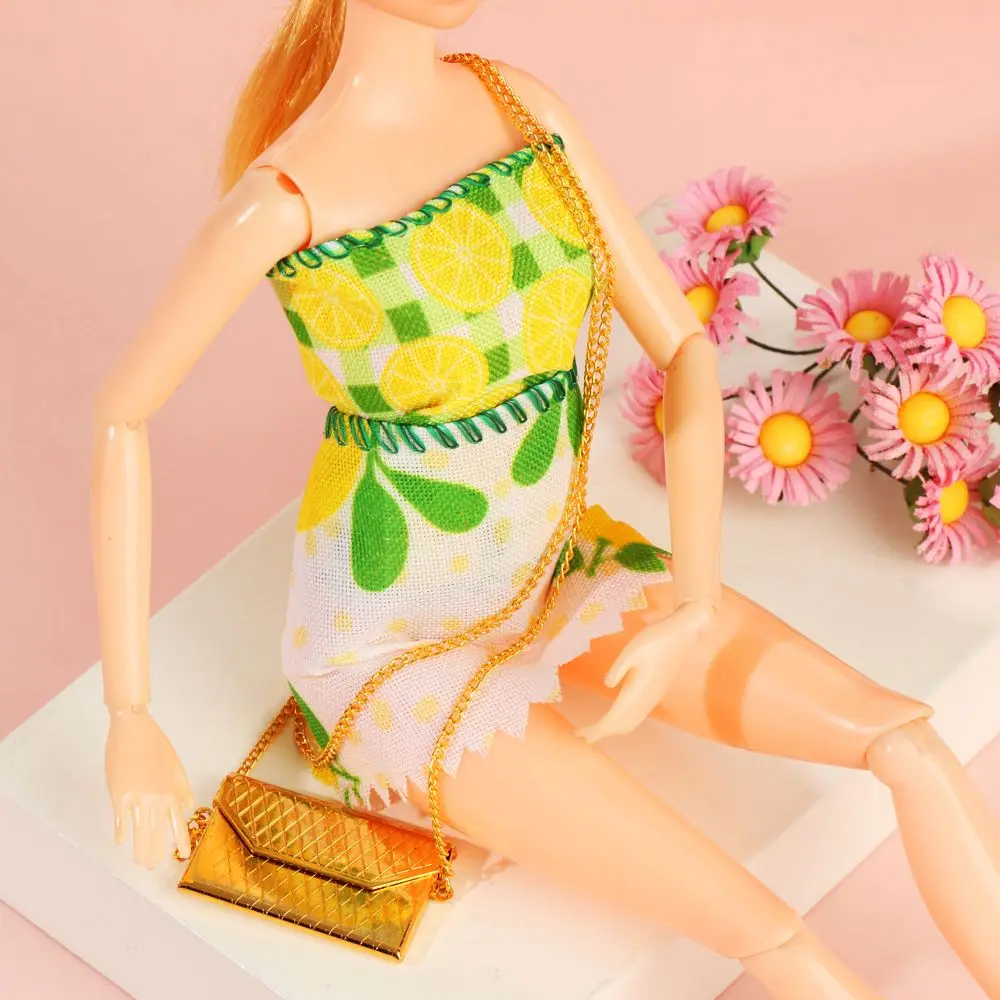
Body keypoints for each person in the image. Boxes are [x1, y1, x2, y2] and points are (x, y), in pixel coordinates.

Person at [91, 3, 1000, 997]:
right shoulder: (281, 201)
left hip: (550, 554)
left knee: (904, 739)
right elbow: (121, 418)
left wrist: (695, 599)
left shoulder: (514, 101)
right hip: (389, 651)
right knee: (768, 930)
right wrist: (128, 712)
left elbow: (683, 347)